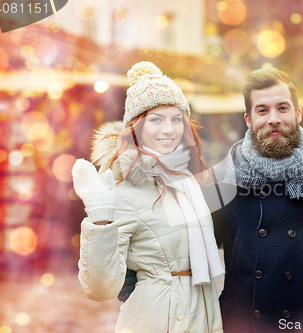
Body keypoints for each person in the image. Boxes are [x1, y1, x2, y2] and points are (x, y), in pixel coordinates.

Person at [121, 67, 303, 333]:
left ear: (298, 113)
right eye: (262, 110)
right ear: (248, 119)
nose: (273, 118)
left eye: (282, 108)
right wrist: (139, 271)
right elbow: (186, 246)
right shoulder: (221, 181)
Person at [71, 62, 224, 333]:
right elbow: (99, 289)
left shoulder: (188, 183)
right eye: (156, 119)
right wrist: (101, 220)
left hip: (202, 315)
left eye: (176, 119)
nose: (169, 129)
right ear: (136, 128)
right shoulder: (124, 190)